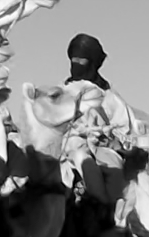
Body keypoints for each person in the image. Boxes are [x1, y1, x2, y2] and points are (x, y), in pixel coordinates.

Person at [58, 33, 139, 191]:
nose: (77, 63)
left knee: (115, 176)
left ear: (94, 63)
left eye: (82, 59)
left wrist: (107, 139)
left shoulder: (110, 98)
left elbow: (126, 130)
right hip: (62, 150)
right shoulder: (59, 94)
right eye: (73, 59)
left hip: (100, 149)